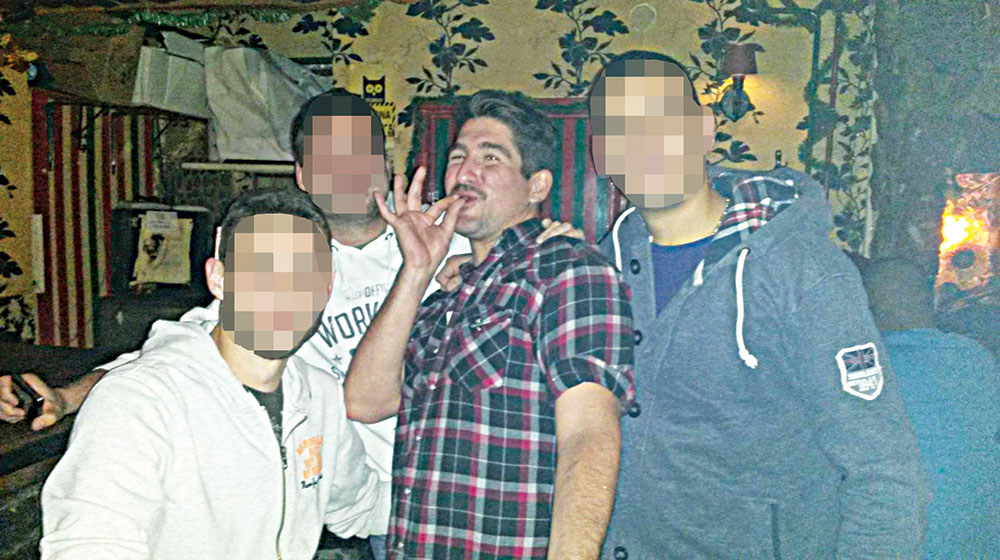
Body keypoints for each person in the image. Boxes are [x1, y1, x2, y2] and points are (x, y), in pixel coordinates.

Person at [1, 89, 580, 560]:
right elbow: (170, 356)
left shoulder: (444, 242)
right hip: (344, 495)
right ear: (302, 174)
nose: (346, 170)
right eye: (327, 158)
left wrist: (551, 241)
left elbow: (526, 270)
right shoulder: (282, 258)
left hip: (441, 498)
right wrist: (70, 395)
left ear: (385, 163)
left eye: (358, 153)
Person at [589, 51, 929, 558]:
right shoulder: (594, 276)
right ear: (601, 155)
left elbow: (883, 470)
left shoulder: (800, 269)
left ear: (703, 129)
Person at [343, 89, 636, 560]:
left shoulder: (566, 269)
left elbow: (589, 434)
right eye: (458, 156)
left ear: (537, 186)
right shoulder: (445, 297)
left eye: (491, 157)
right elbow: (366, 401)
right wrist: (417, 269)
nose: (465, 173)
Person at [40, 187, 389, 558]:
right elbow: (88, 547)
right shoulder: (139, 402)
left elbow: (362, 506)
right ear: (218, 279)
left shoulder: (319, 395)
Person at [859, 258, 999, 559]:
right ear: (931, 301)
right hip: (981, 536)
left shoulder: (864, 369)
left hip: (902, 541)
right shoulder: (976, 358)